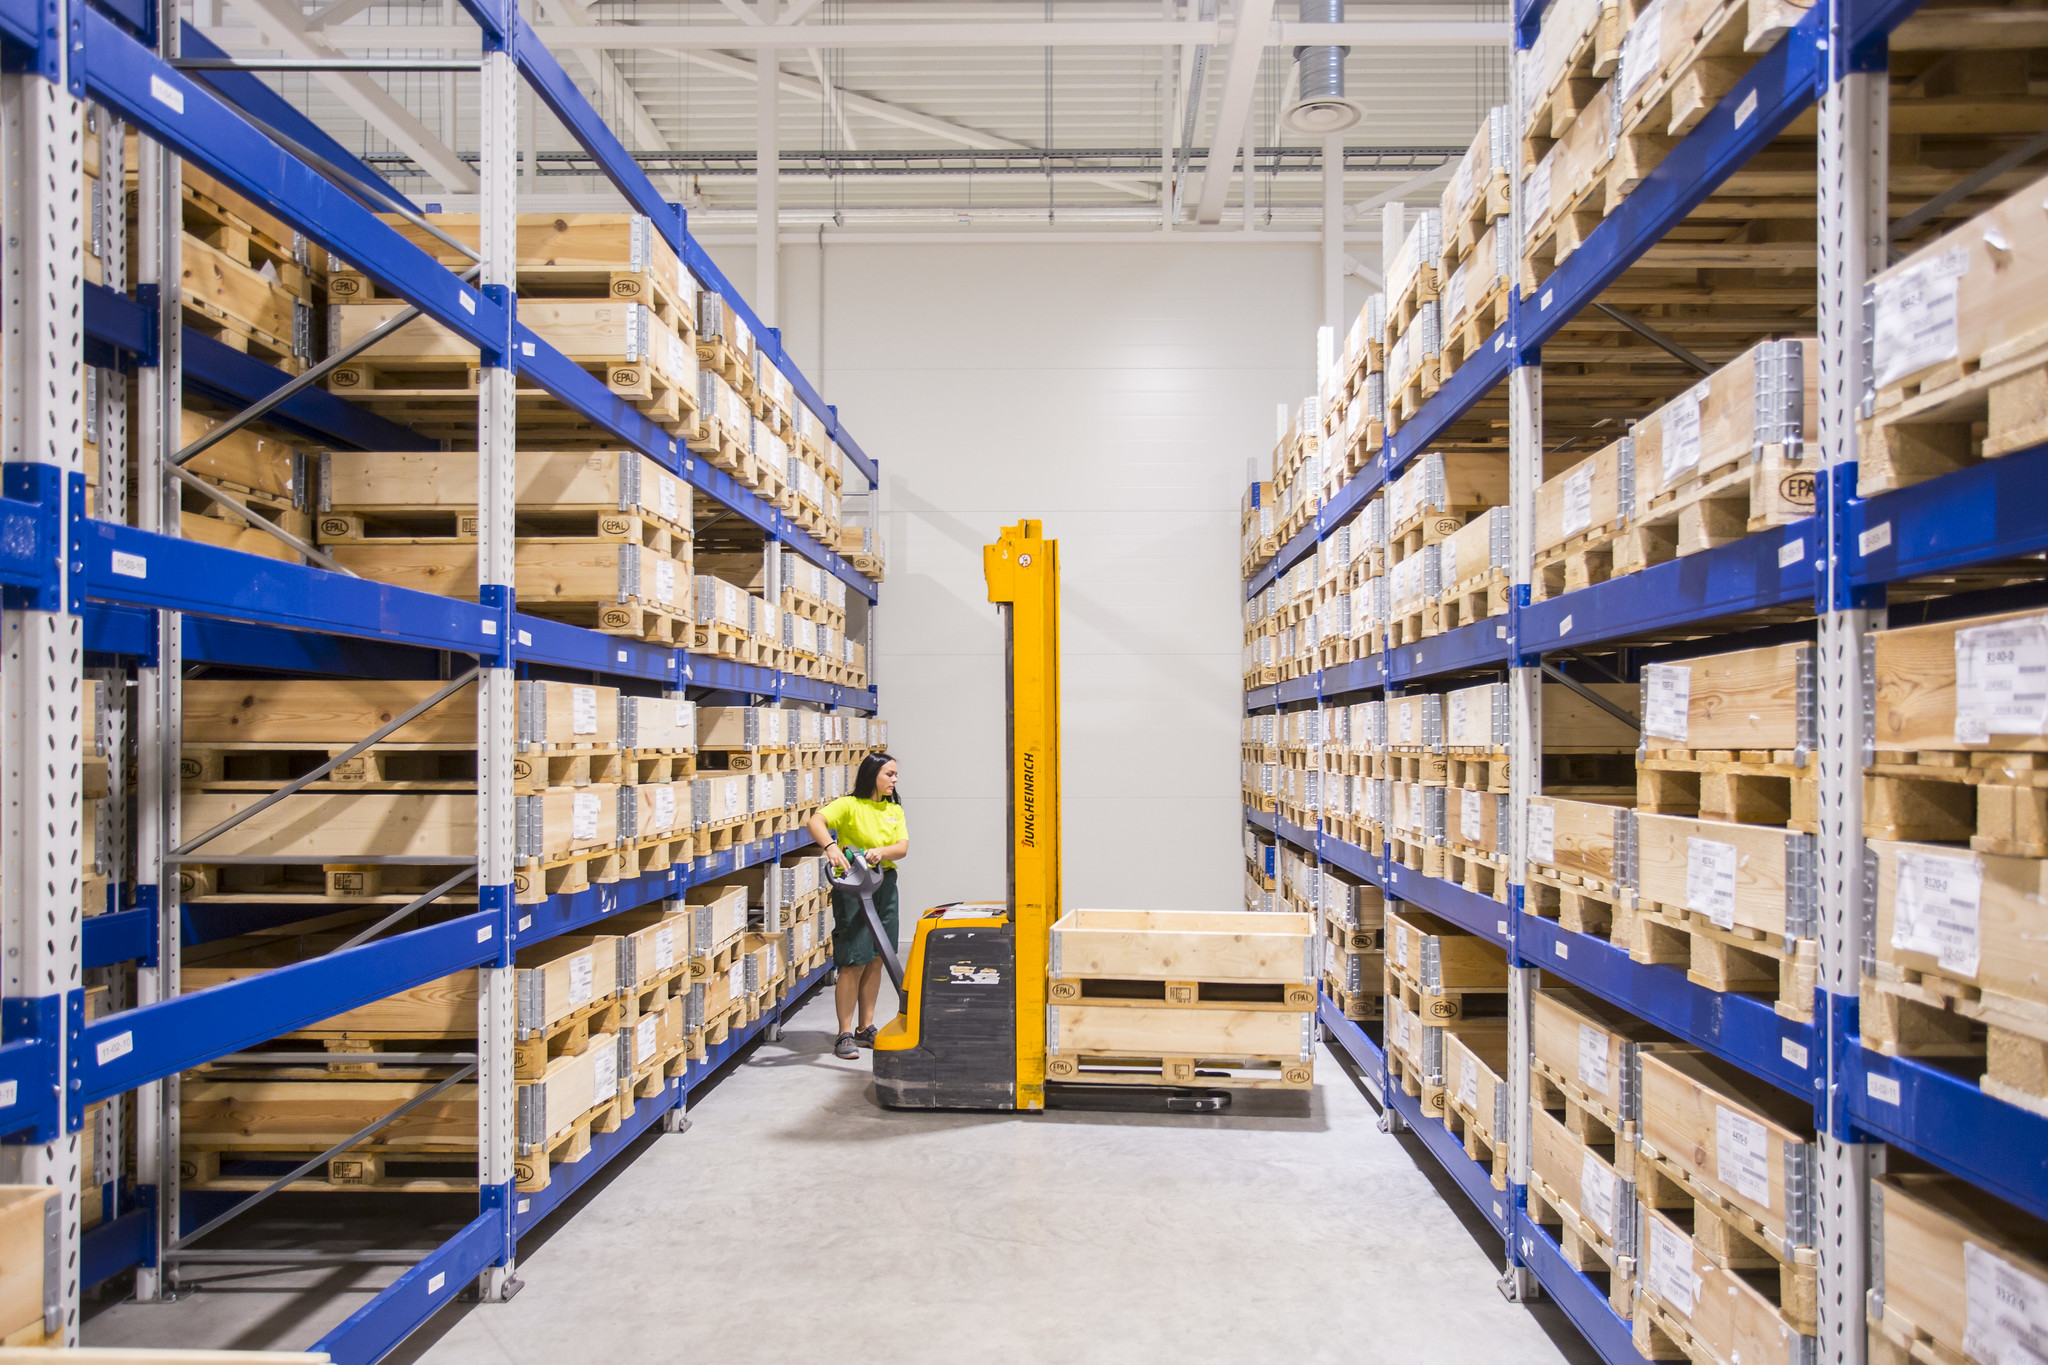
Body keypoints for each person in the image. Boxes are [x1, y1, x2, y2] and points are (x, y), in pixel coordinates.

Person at [807, 752, 908, 1061]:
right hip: (854, 886)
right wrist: (831, 847)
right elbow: (815, 820)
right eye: (889, 774)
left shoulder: (894, 810)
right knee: (854, 960)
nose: (894, 779)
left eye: (895, 774)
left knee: (878, 958)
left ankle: (866, 1027)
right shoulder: (850, 805)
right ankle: (845, 1032)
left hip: (885, 886)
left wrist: (881, 850)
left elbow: (902, 847)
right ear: (872, 775)